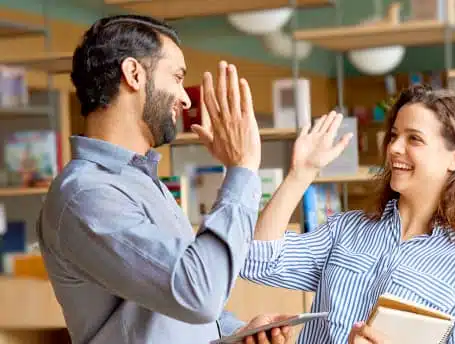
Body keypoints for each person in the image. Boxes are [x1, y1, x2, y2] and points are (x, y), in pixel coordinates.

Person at [35, 14, 349, 344]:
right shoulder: (87, 195)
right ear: (134, 74)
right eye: (177, 77)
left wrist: (236, 333)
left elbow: (170, 300)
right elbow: (198, 294)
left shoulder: (142, 182)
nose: (185, 98)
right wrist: (242, 167)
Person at [239, 84, 455, 344]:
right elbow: (256, 261)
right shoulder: (345, 230)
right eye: (394, 135)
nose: (393, 148)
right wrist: (300, 174)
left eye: (414, 138)